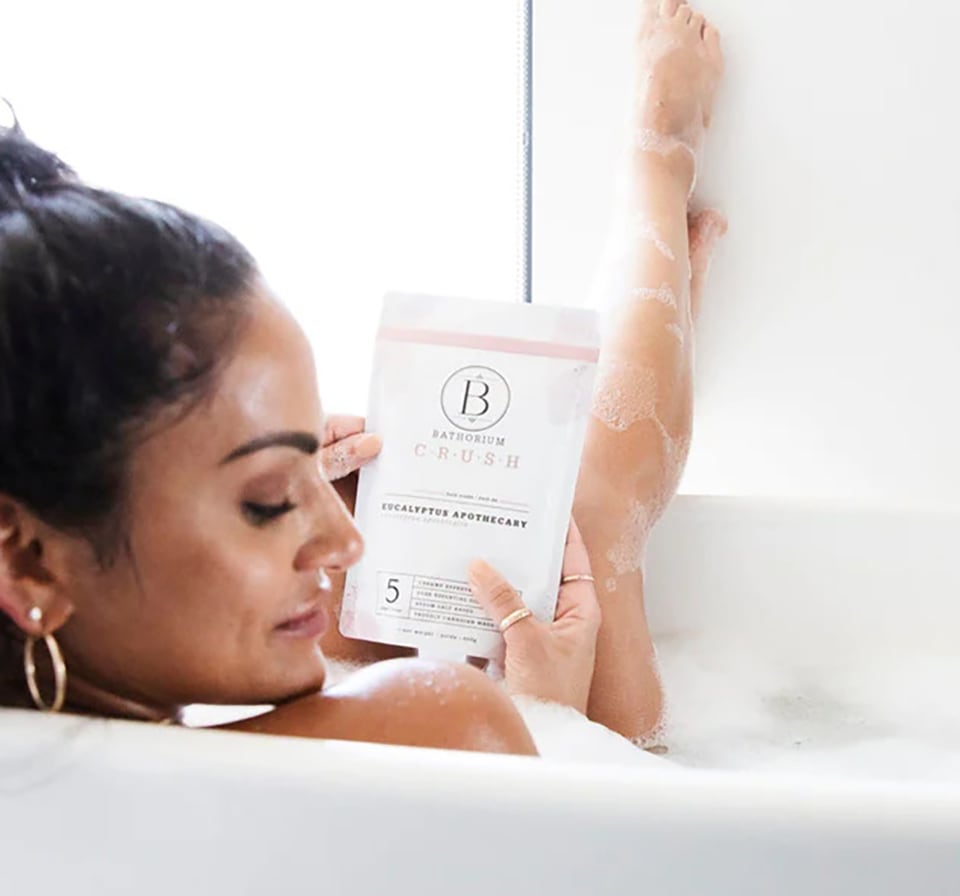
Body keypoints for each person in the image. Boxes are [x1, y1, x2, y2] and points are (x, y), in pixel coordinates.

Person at [0, 0, 724, 753]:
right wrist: (553, 727)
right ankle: (658, 165)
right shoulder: (450, 725)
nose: (344, 538)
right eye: (266, 501)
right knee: (584, 524)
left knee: (412, 561)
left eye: (311, 462)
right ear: (25, 559)